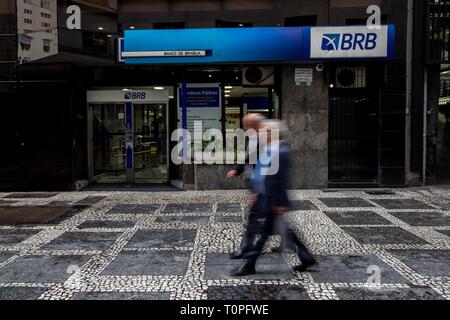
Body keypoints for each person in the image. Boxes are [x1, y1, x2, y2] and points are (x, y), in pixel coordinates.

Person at [231, 120, 317, 277]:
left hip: (272, 199)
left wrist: (280, 202)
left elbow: (280, 179)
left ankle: (249, 263)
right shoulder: (269, 148)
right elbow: (261, 171)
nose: (261, 134)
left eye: (265, 131)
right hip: (264, 196)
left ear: (273, 133)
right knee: (278, 231)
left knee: (263, 232)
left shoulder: (281, 151)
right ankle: (306, 257)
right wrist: (256, 191)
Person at [228, 113, 266, 260]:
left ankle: (245, 248)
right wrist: (237, 169)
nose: (246, 127)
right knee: (274, 220)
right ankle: (298, 249)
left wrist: (258, 188)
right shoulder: (253, 138)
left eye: (248, 124)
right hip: (257, 183)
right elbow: (248, 156)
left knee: (254, 218)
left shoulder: (266, 139)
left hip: (263, 185)